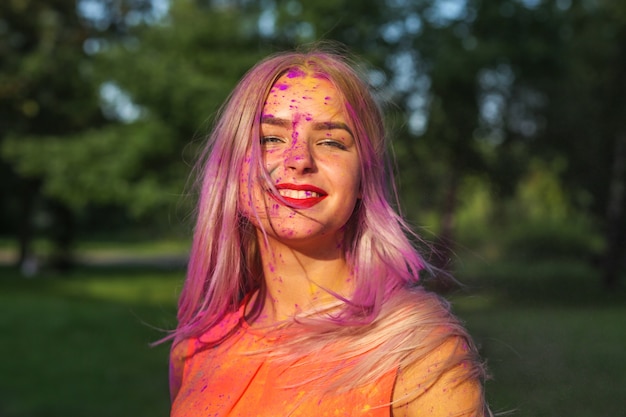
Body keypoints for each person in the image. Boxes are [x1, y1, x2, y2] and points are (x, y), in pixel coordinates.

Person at [167, 46, 492, 417]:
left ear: (363, 179)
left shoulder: (421, 354)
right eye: (269, 139)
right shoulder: (196, 347)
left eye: (331, 142)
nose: (298, 159)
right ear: (231, 169)